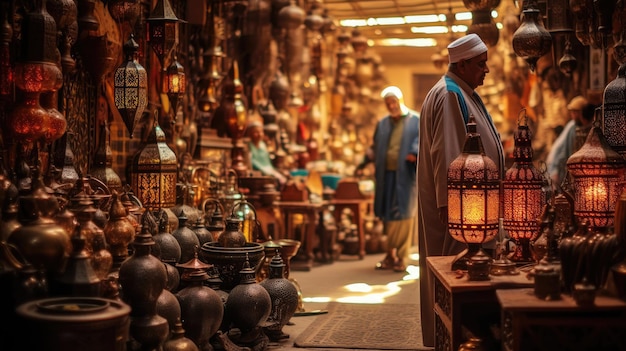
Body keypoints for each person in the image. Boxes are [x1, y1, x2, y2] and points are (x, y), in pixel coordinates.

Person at [417, 34, 505, 347]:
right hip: (463, 211)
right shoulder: (451, 94)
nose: (487, 70)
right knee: (459, 277)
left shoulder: (460, 91)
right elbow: (450, 152)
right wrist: (454, 207)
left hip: (469, 207)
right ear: (463, 63)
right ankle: (463, 341)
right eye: (481, 64)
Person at [355, 86, 419, 272]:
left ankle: (401, 256)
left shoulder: (415, 120)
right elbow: (375, 147)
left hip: (405, 175)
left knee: (404, 214)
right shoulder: (382, 123)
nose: (392, 106)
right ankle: (390, 254)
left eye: (394, 101)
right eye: (388, 103)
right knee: (386, 214)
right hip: (385, 175)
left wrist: (414, 152)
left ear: (400, 100)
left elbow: (421, 140)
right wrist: (363, 163)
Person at [545, 96, 595, 191]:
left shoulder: (591, 127)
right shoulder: (572, 127)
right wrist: (554, 170)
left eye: (575, 112)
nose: (573, 115)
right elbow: (559, 150)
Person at [246, 120, 287, 187]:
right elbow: (252, 162)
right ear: (250, 133)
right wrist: (266, 171)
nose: (259, 134)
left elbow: (268, 163)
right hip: (258, 173)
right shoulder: (248, 146)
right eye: (256, 132)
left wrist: (272, 171)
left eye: (260, 132)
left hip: (268, 170)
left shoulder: (263, 145)